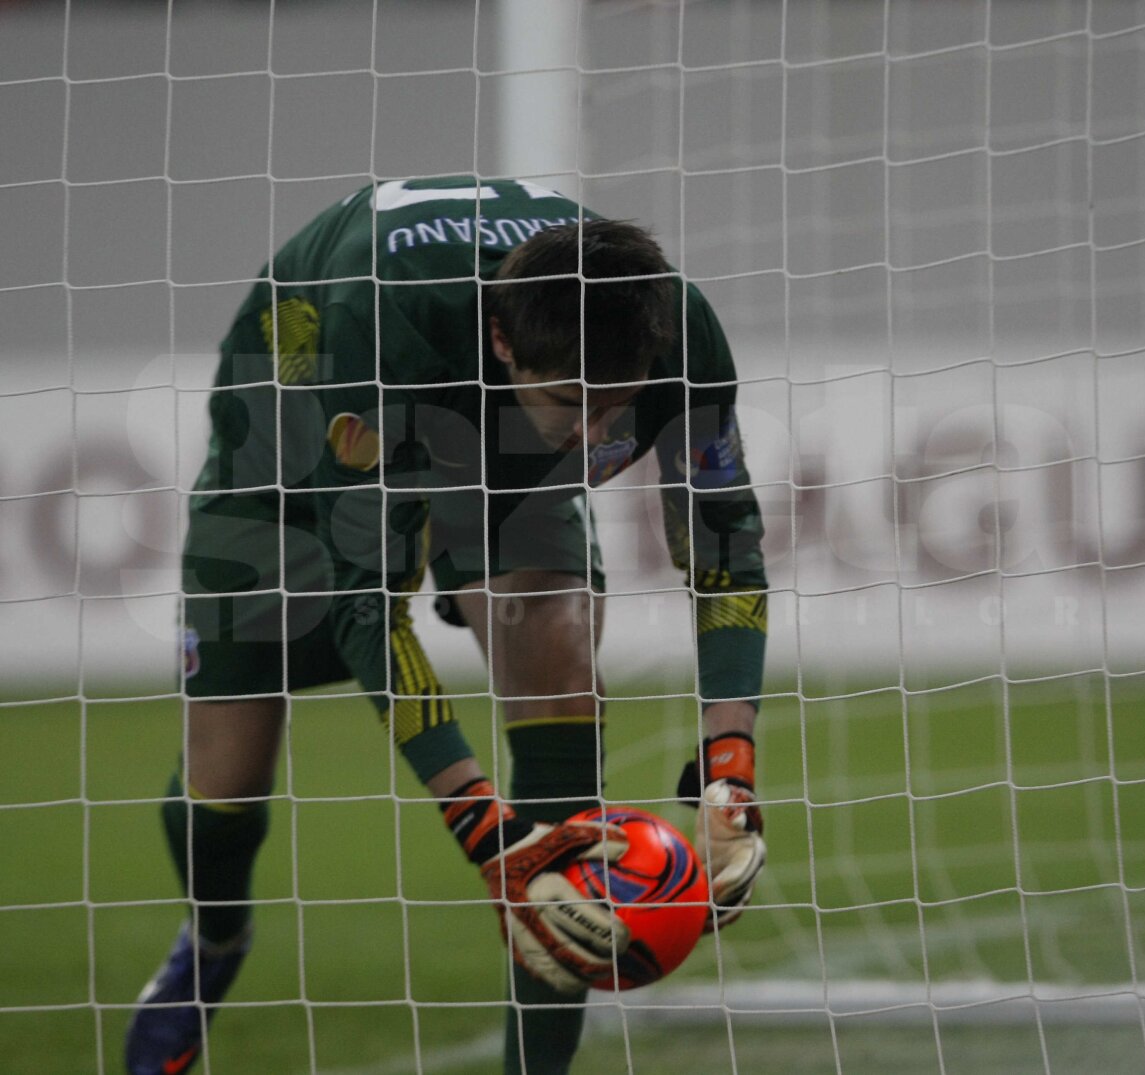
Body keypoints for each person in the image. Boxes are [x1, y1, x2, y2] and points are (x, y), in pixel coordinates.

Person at [124, 176, 768, 1075]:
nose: (593, 437)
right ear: (504, 340)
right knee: (225, 773)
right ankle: (216, 938)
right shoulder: (377, 322)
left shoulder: (676, 326)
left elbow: (724, 542)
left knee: (561, 677)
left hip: (499, 457)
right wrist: (478, 825)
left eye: (614, 409)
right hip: (297, 416)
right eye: (571, 406)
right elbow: (362, 604)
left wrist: (730, 764)